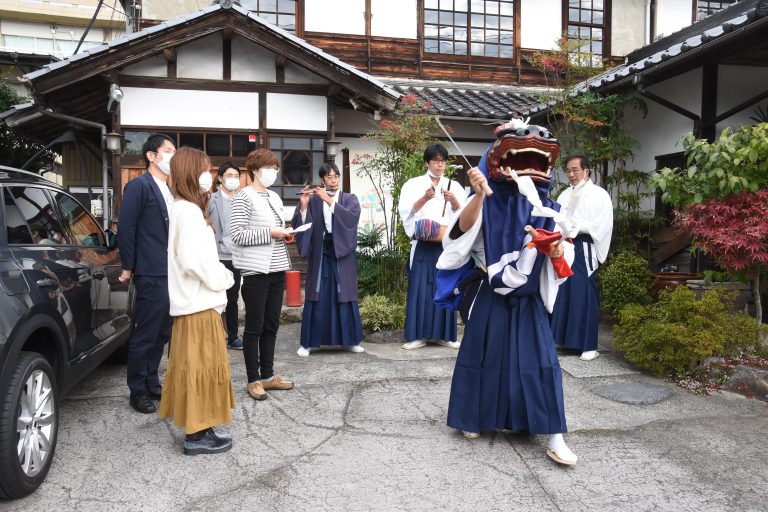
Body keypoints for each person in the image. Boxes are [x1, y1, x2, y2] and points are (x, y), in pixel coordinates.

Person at [436, 120, 578, 465]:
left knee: (541, 363)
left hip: (528, 300)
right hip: (491, 293)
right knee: (483, 358)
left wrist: (557, 252)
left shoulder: (550, 207)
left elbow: (565, 254)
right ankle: (472, 417)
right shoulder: (489, 198)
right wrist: (480, 195)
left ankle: (555, 434)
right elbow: (460, 234)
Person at [159, 146, 236, 455]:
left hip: (193, 304)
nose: (209, 175)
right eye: (205, 169)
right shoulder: (188, 211)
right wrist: (224, 279)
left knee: (196, 368)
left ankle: (199, 429)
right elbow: (195, 261)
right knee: (202, 369)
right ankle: (197, 434)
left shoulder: (184, 207)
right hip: (198, 304)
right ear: (192, 173)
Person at [230, 148, 295, 401]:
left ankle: (268, 376)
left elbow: (276, 231)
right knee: (254, 327)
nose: (273, 172)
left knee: (271, 325)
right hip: (256, 270)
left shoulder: (275, 197)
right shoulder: (243, 197)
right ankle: (253, 379)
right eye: (269, 168)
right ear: (255, 170)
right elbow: (237, 234)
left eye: (275, 168)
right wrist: (271, 232)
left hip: (278, 267)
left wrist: (286, 234)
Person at [118, 133, 175, 414]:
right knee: (147, 331)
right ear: (151, 156)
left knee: (163, 331)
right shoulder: (139, 186)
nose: (171, 156)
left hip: (171, 271)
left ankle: (152, 380)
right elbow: (126, 227)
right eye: (167, 151)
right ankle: (137, 389)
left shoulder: (171, 190)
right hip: (150, 270)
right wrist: (128, 266)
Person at [397, 143, 466, 350]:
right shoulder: (413, 184)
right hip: (423, 243)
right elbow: (406, 213)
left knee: (445, 287)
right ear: (427, 162)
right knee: (420, 288)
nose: (440, 164)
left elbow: (463, 217)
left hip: (446, 244)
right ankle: (418, 336)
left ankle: (446, 335)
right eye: (435, 160)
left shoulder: (455, 186)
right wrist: (424, 198)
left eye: (443, 160)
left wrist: (454, 202)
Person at [291, 163, 364, 357]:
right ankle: (308, 343)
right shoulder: (314, 200)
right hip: (321, 250)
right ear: (322, 179)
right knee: (317, 294)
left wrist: (329, 201)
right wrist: (304, 206)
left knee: (345, 294)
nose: (334, 180)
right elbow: (302, 223)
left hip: (342, 251)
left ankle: (350, 341)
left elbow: (351, 219)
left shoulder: (349, 199)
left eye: (336, 176)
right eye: (329, 177)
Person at [550, 155, 613, 361]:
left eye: (575, 170)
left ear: (586, 170)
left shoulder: (599, 194)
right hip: (564, 244)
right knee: (562, 288)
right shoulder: (564, 194)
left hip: (584, 245)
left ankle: (588, 344)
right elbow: (556, 219)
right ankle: (562, 338)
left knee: (583, 290)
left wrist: (577, 226)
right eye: (568, 170)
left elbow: (602, 225)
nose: (571, 174)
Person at [208, 162, 244, 350]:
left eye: (236, 175)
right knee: (214, 298)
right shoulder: (210, 199)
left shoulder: (242, 199)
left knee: (232, 298)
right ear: (220, 178)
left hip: (235, 256)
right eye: (229, 175)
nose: (233, 179)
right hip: (215, 256)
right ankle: (212, 337)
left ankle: (232, 336)